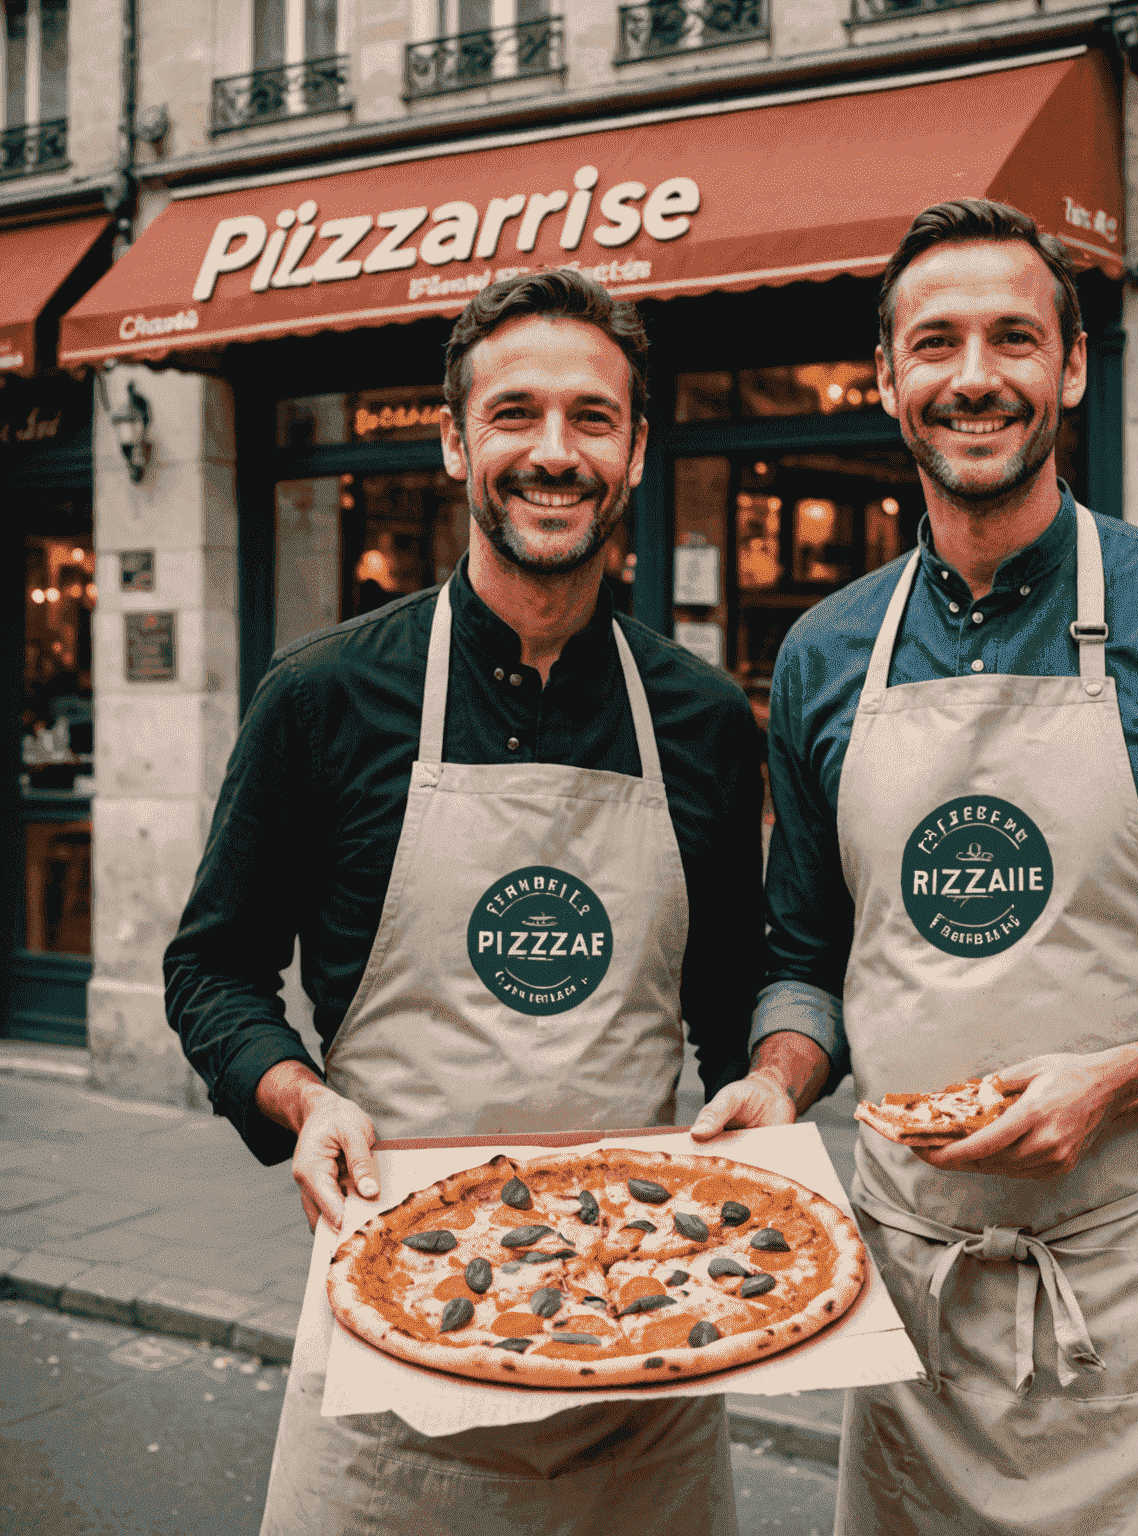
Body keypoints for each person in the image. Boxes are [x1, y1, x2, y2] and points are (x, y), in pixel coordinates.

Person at [695, 201, 1138, 1534]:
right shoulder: (824, 655)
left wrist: (1131, 1075)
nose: (976, 375)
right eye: (938, 342)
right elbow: (807, 958)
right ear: (889, 377)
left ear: (1071, 368)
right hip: (913, 1308)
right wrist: (778, 1081)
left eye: (1014, 337)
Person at [165, 270, 811, 1534]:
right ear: (457, 440)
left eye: (591, 419)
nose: (553, 454)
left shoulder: (702, 720)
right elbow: (214, 971)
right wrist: (298, 1100)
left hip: (648, 1364)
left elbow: (735, 992)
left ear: (634, 447)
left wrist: (769, 1082)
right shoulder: (322, 698)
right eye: (515, 415)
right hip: (392, 1357)